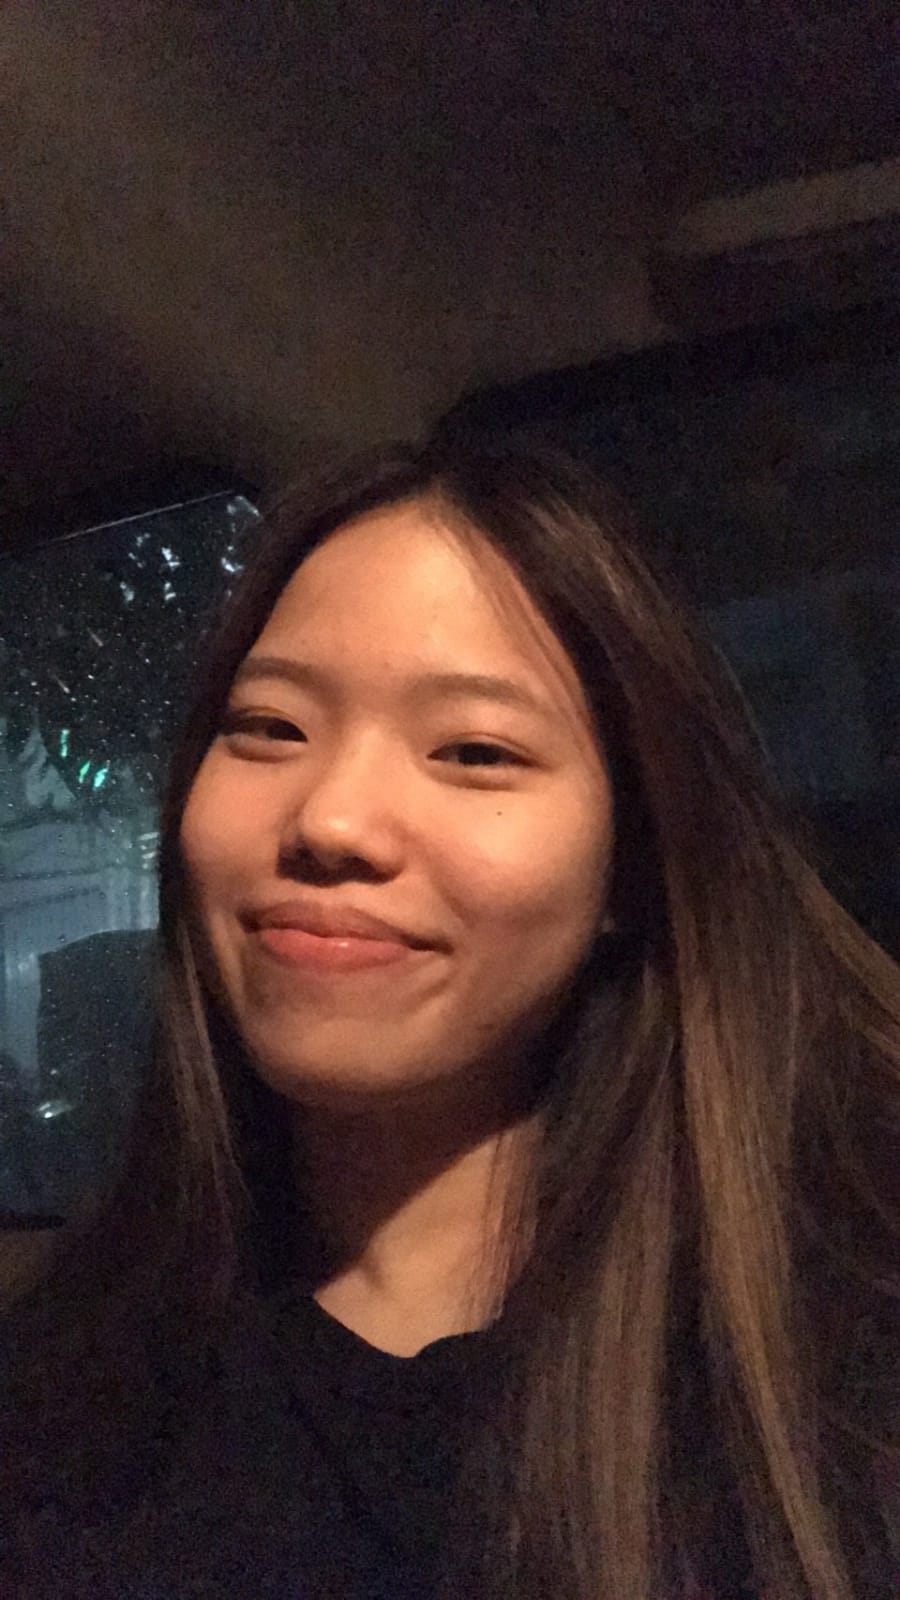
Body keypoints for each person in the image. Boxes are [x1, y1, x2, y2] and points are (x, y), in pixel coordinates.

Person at [1, 433, 898, 1600]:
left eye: (475, 750)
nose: (331, 819)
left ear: (630, 863)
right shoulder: (63, 1384)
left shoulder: (841, 1355)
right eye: (268, 726)